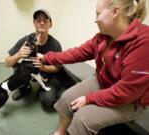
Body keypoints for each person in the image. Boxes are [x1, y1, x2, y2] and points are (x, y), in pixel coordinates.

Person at [36, 0, 149, 134]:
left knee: (83, 118)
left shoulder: (143, 41)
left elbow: (127, 92)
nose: (95, 20)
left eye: (98, 14)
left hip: (131, 100)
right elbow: (76, 53)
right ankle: (60, 133)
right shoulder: (102, 37)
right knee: (67, 98)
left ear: (115, 12)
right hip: (104, 81)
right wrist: (46, 57)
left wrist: (89, 99)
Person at [0, 9, 63, 110]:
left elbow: (57, 68)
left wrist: (43, 67)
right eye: (38, 20)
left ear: (50, 24)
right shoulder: (26, 40)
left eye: (45, 20)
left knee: (48, 100)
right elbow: (7, 63)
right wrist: (18, 55)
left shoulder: (56, 45)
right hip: (28, 73)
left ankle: (43, 89)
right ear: (34, 24)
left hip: (47, 76)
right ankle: (25, 88)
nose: (42, 23)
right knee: (16, 65)